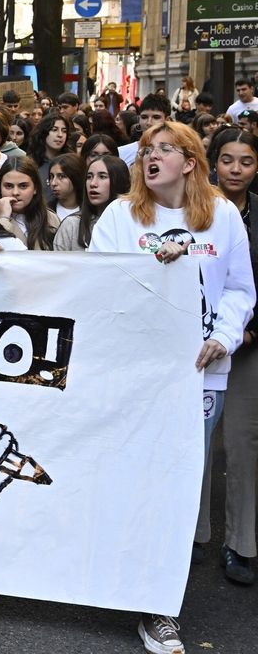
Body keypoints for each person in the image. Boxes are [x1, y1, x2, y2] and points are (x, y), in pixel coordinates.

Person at [89, 122, 255, 654]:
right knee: (133, 475)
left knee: (180, 486)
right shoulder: (119, 216)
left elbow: (238, 289)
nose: (151, 157)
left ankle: (160, 606)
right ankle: (120, 582)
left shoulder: (223, 216)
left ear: (189, 161)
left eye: (165, 149)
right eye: (146, 151)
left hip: (200, 374)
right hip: (134, 374)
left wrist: (225, 338)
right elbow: (95, 285)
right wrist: (147, 271)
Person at [202, 127, 258, 586]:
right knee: (194, 441)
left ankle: (241, 543)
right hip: (196, 348)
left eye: (245, 161)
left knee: (242, 445)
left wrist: (244, 330)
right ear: (211, 162)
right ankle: (195, 534)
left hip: (251, 345)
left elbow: (244, 285)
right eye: (227, 160)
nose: (235, 169)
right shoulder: (195, 212)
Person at [53, 155, 130, 251]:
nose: (93, 183)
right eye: (89, 177)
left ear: (119, 181)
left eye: (102, 176)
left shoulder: (133, 224)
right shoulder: (72, 225)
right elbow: (57, 265)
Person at [0, 158, 58, 250]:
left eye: (23, 186)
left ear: (35, 188)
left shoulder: (50, 218)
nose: (15, 192)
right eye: (8, 186)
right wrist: (3, 218)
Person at [26, 113, 71, 200]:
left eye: (64, 131)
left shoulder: (71, 162)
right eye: (54, 130)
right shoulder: (30, 163)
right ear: (43, 133)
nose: (60, 135)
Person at [46, 152, 86, 222]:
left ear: (76, 178)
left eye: (61, 176)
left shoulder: (90, 211)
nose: (53, 183)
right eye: (51, 176)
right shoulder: (46, 212)